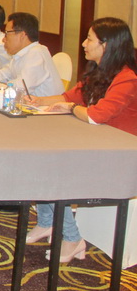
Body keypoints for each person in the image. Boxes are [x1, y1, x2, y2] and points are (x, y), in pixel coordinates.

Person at [23, 18, 137, 263]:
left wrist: (71, 108)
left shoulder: (127, 78)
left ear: (106, 45)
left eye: (89, 39)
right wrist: (36, 101)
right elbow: (68, 97)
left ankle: (73, 238)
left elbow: (96, 115)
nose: (84, 44)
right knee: (39, 156)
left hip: (120, 156)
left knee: (53, 169)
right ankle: (47, 222)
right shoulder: (99, 72)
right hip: (97, 144)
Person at [0, 12, 64, 97]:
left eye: (7, 33)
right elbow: (3, 74)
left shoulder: (37, 53)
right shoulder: (21, 54)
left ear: (22, 35)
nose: (3, 39)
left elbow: (21, 87)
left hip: (46, 111)